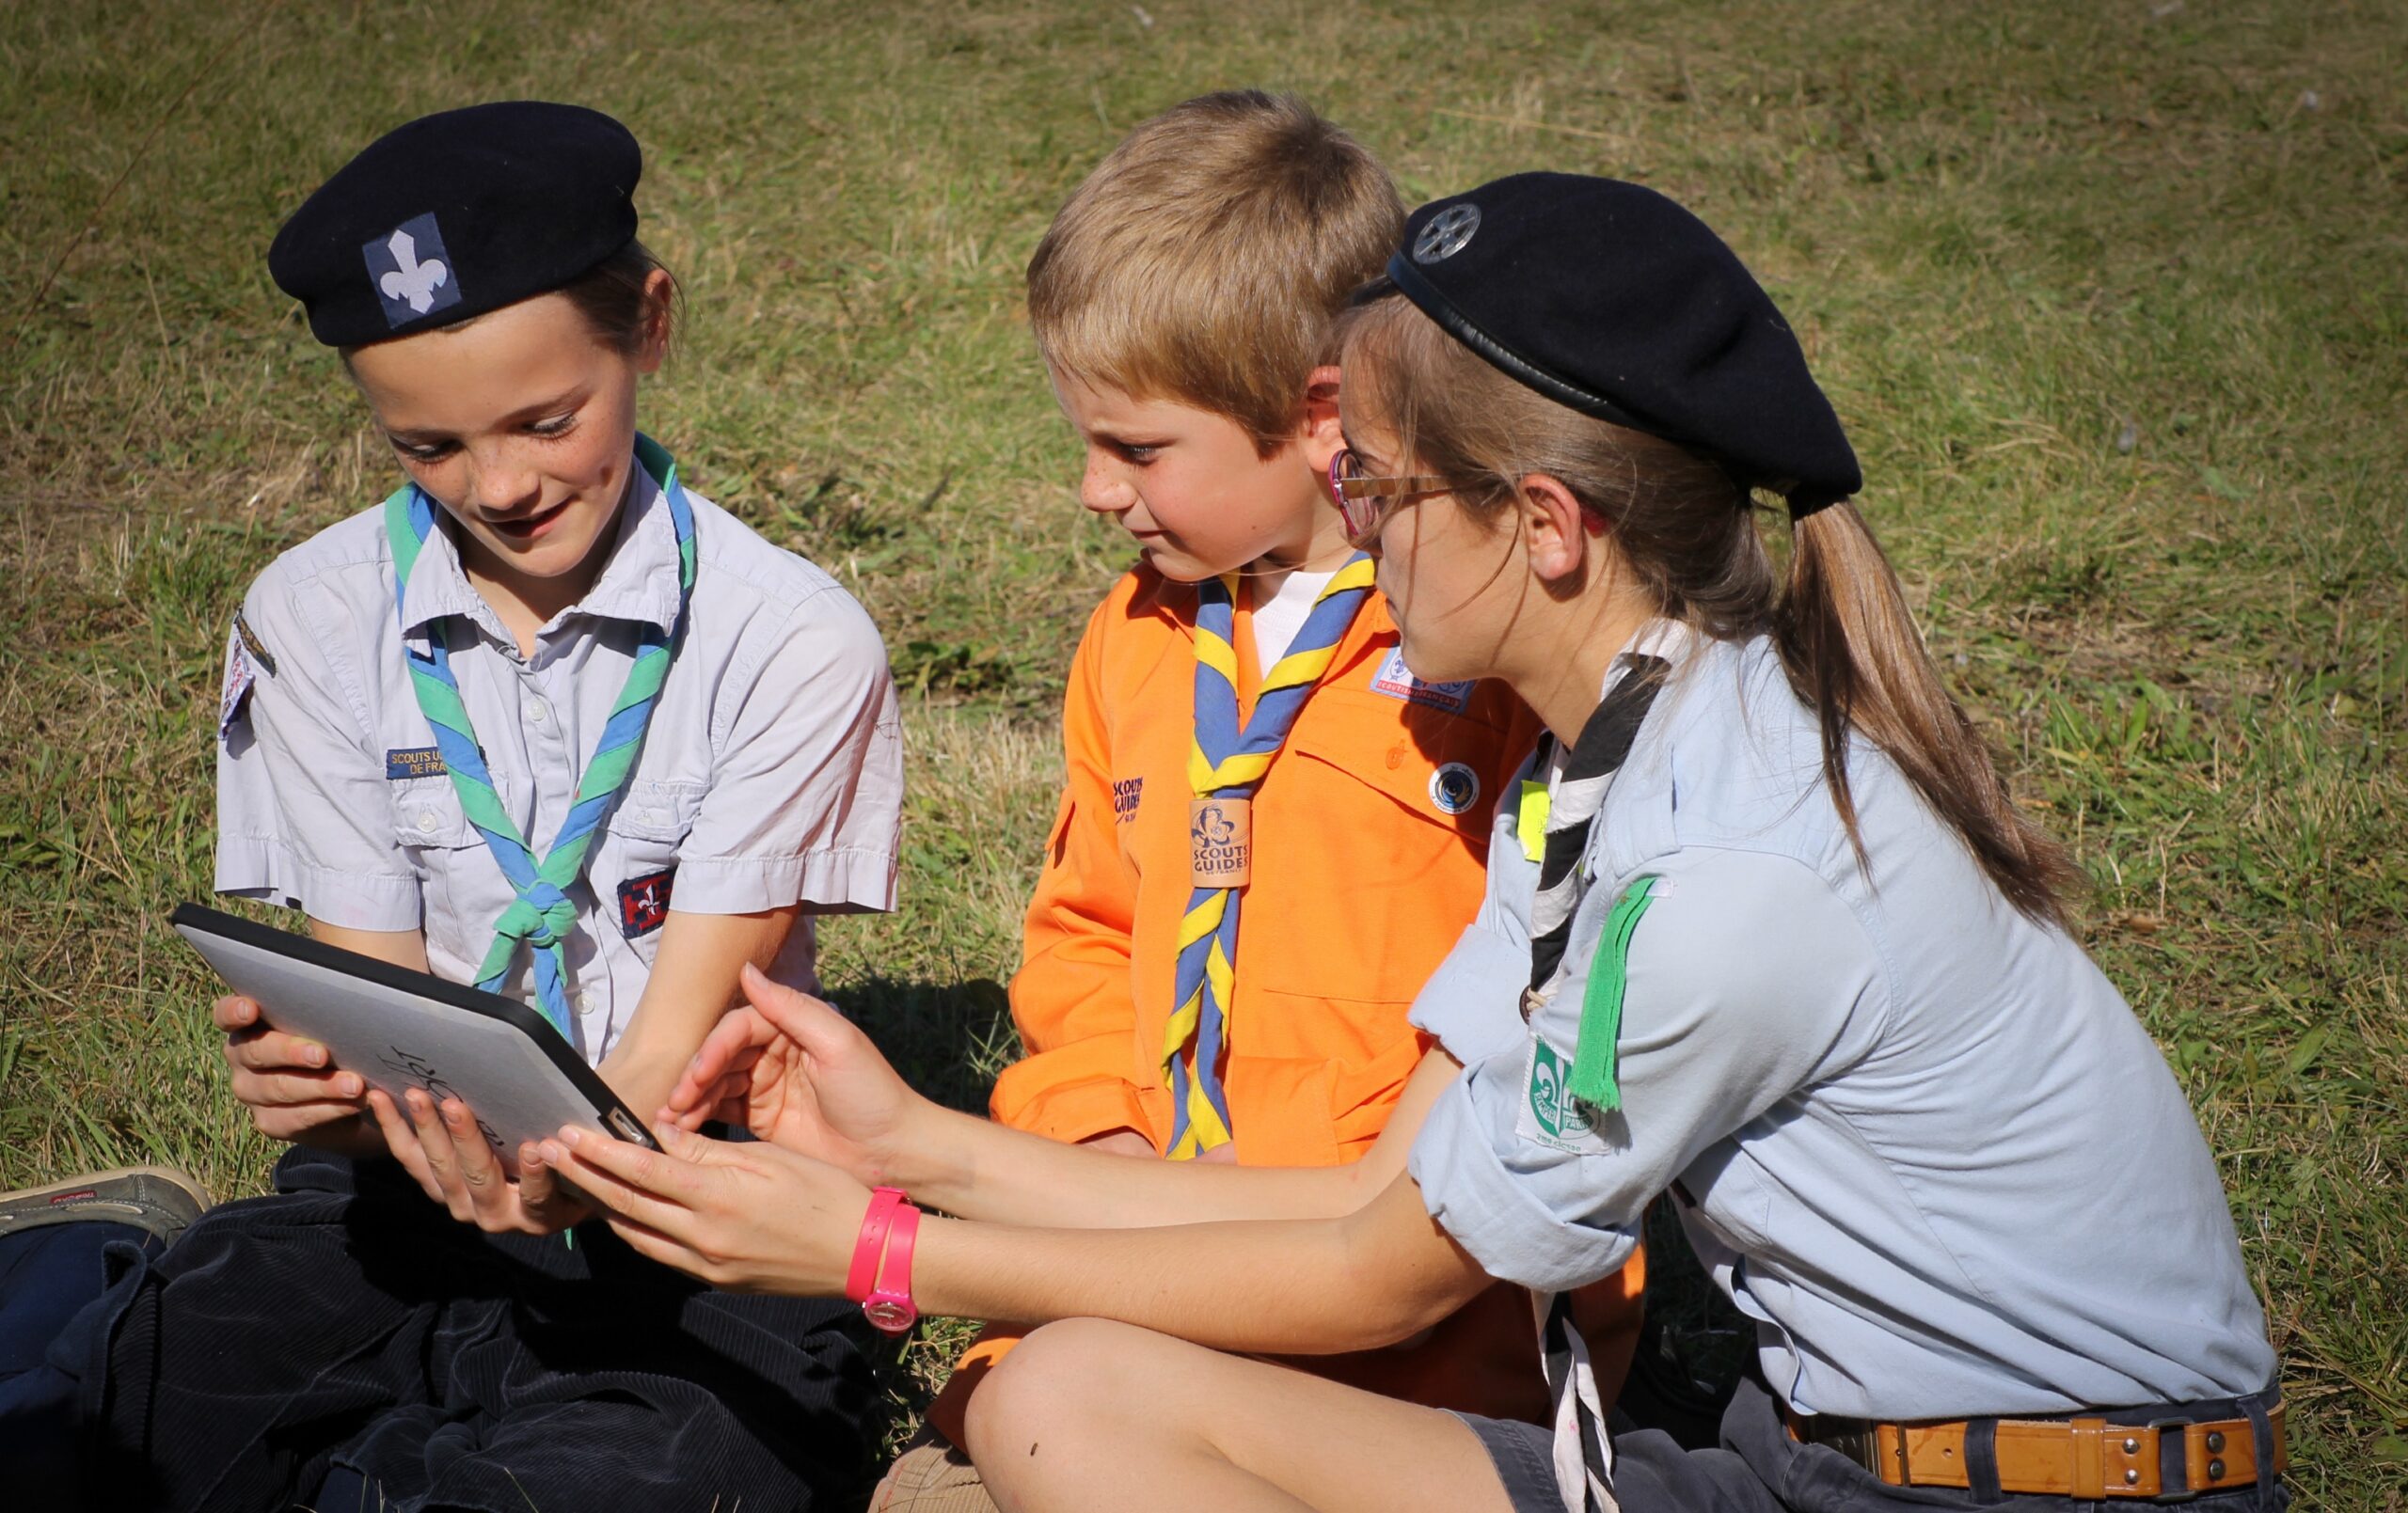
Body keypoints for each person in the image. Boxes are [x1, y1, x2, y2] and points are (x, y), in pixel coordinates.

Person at [547, 172, 2286, 1513]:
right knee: (1073, 1395)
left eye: (1370, 483)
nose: (1347, 528)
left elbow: (1374, 1279)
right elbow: (1373, 1194)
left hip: (1994, 1483)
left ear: (1536, 525)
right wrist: (917, 1140)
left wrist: (870, 1252)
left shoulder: (1716, 871)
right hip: (1822, 1452)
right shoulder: (1618, 755)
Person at [0, 101, 902, 1513]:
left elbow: (670, 1058)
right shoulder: (313, 612)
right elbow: (376, 994)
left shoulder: (789, 637)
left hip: (691, 1201)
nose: (501, 485)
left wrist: (560, 1178)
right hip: (409, 1197)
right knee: (138, 1394)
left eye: (550, 420)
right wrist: (329, 1091)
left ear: (648, 326)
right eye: (426, 445)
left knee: (655, 1476)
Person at [873, 92, 1638, 1512]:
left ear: (1320, 419)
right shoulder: (1138, 639)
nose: (1096, 491)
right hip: (1131, 1261)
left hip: (1405, 1328)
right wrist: (1095, 1143)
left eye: (1139, 449)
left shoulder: (1484, 648)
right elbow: (1087, 936)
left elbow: (1547, 1032)